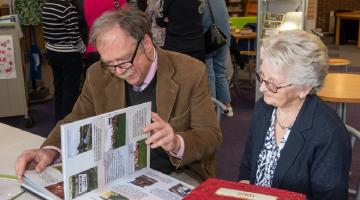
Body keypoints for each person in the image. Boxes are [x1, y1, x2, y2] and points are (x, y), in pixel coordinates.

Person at [16, 7, 221, 185]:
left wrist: (176, 142)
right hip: (118, 173)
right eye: (110, 63)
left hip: (177, 173)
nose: (119, 71)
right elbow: (76, 119)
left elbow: (211, 135)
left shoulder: (190, 72)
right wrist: (50, 150)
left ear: (146, 44)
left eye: (124, 61)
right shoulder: (98, 73)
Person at [238, 30, 351, 199]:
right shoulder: (264, 108)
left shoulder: (329, 133)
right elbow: (248, 164)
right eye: (262, 76)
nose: (262, 88)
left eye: (272, 84)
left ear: (305, 88)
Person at [41, 0, 86, 122]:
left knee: (59, 86)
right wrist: (84, 49)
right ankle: (67, 122)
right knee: (70, 89)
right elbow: (74, 37)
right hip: (69, 54)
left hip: (52, 52)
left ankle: (58, 119)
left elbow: (46, 31)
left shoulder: (47, 4)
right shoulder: (68, 8)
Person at [202, 0, 233, 117]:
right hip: (223, 39)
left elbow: (203, 23)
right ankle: (228, 107)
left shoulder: (202, 3)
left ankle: (212, 108)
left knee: (210, 75)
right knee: (221, 72)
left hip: (210, 41)